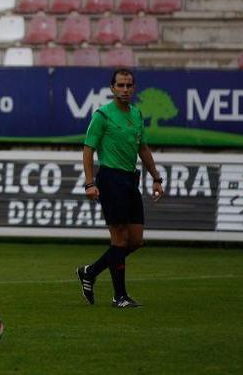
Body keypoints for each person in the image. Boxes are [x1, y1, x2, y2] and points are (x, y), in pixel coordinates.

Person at [77, 68, 164, 308]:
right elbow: (88, 149)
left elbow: (143, 149)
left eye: (129, 86)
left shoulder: (136, 114)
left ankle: (91, 272)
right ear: (112, 88)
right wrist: (89, 182)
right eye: (120, 86)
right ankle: (119, 296)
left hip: (130, 181)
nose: (125, 90)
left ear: (133, 88)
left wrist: (156, 177)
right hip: (110, 180)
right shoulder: (102, 115)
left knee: (135, 241)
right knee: (119, 239)